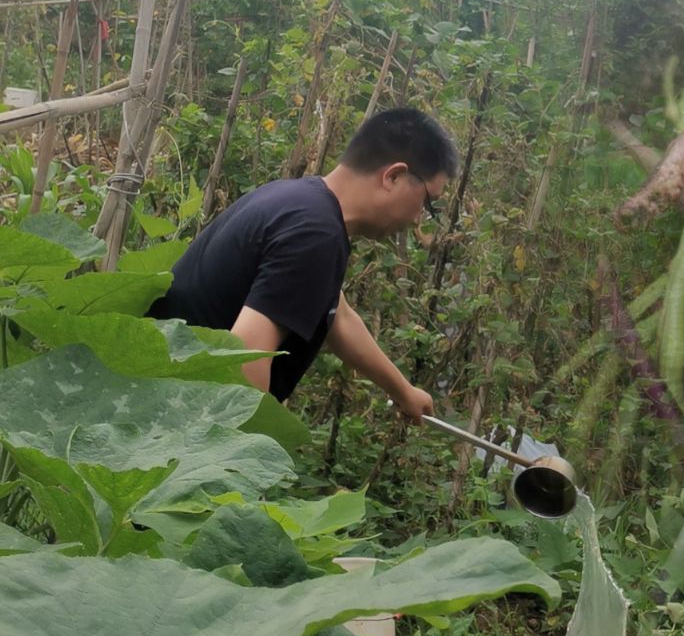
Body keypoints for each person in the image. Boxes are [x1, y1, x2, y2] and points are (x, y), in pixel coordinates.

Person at [148, 107, 457, 423]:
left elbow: (339, 315)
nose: (420, 217)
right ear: (392, 176)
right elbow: (244, 356)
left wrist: (402, 390)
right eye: (428, 202)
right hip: (172, 423)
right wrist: (244, 459)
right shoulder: (316, 234)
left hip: (153, 394)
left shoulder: (298, 200)